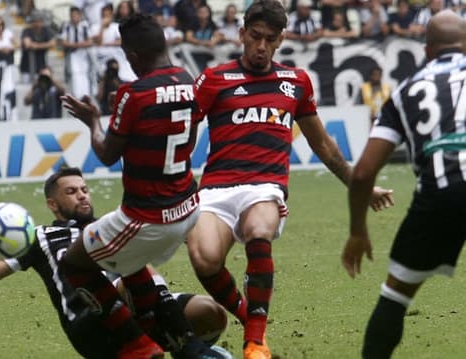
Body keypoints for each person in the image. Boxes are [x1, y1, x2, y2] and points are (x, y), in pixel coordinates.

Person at [187, 1, 395, 359]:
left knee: (259, 229)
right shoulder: (213, 80)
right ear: (242, 34)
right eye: (255, 37)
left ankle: (254, 343)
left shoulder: (294, 82)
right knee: (204, 260)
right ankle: (249, 318)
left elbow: (325, 147)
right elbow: (182, 135)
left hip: (264, 187)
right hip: (216, 187)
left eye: (269, 39)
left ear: (281, 39)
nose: (261, 46)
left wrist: (362, 185)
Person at [59, 13, 227, 359]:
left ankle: (137, 343)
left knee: (72, 264)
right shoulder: (188, 80)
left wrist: (93, 122)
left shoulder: (132, 93)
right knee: (131, 264)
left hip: (147, 217)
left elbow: (107, 154)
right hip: (186, 208)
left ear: (133, 56)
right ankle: (182, 344)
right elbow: (188, 139)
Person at [0, 167, 228, 358]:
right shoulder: (40, 237)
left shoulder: (108, 226)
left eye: (84, 190)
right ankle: (189, 349)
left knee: (211, 314)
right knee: (134, 270)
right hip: (90, 324)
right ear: (52, 204)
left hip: (135, 307)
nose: (82, 197)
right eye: (71, 192)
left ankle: (175, 346)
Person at [342, 10, 466, 359]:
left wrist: (357, 231)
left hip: (438, 195)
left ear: (426, 50)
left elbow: (364, 173)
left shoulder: (404, 93)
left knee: (396, 295)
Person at [59, 6, 94, 100]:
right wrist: (76, 45)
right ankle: (77, 97)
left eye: (76, 15)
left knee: (85, 75)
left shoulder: (85, 25)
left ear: (80, 15)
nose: (74, 18)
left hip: (83, 55)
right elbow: (63, 42)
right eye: (72, 15)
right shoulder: (66, 25)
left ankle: (86, 97)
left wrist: (76, 45)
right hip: (72, 55)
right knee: (75, 75)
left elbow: (90, 41)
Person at [20, 12, 55, 83]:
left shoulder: (46, 30)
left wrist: (36, 45)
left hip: (42, 66)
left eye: (39, 21)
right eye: (35, 21)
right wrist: (44, 45)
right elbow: (27, 44)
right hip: (27, 67)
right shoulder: (27, 30)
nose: (37, 24)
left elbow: (52, 43)